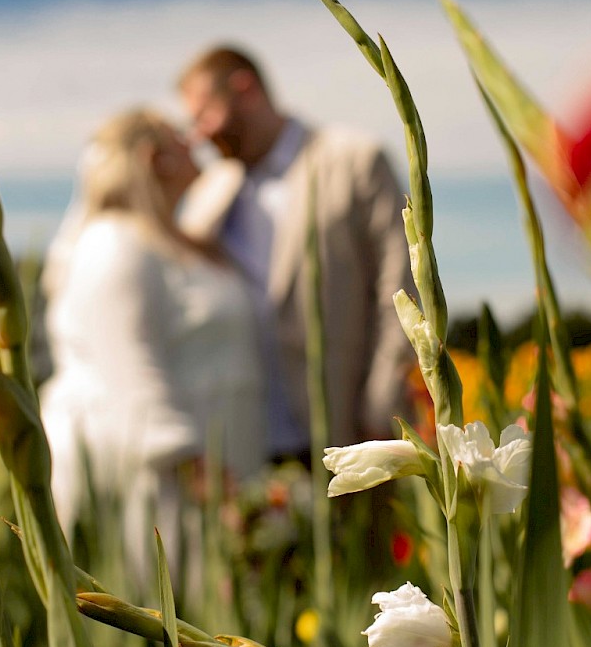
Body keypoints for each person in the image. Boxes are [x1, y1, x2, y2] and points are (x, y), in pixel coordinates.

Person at [39, 108, 265, 587]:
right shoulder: (113, 242)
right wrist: (204, 477)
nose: (195, 143)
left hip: (211, 480)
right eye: (181, 138)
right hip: (164, 489)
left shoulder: (171, 240)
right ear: (153, 157)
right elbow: (130, 370)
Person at [177, 45, 414, 463]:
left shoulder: (355, 159)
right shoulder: (207, 194)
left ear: (244, 88)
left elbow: (400, 288)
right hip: (247, 444)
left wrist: (383, 407)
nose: (199, 135)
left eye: (203, 115)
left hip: (348, 429)